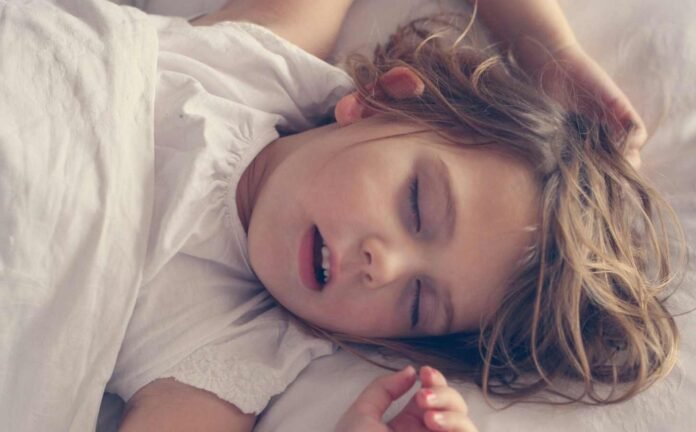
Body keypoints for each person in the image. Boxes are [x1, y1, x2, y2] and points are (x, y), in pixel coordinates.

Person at [117, 1, 683, 431]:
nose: (381, 265)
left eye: (416, 301)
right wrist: (553, 55)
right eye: (416, 204)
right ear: (382, 100)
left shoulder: (226, 352)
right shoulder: (248, 63)